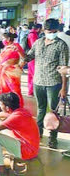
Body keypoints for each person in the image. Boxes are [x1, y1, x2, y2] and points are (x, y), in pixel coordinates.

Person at [24, 18, 69, 149]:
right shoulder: (38, 43)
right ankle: (38, 133)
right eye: (49, 31)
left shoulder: (61, 45)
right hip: (38, 81)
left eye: (54, 31)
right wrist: (19, 56)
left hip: (54, 83)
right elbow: (29, 56)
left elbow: (63, 68)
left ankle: (53, 138)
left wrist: (64, 88)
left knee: (53, 111)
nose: (52, 34)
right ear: (44, 30)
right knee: (41, 109)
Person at [0, 93, 40, 176]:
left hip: (28, 150)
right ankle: (0, 159)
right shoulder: (19, 111)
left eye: (1, 105)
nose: (0, 107)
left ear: (7, 108)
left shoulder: (16, 117)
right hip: (27, 145)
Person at [0, 32, 24, 107]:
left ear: (8, 39)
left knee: (14, 90)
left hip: (11, 73)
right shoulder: (5, 48)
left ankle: (17, 107)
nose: (2, 40)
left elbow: (24, 58)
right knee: (4, 90)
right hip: (2, 72)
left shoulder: (16, 46)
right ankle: (6, 106)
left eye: (3, 38)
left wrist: (18, 67)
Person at [27, 24, 41, 96]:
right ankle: (31, 91)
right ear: (38, 29)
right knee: (33, 75)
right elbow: (35, 47)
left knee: (30, 75)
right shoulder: (33, 35)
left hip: (30, 57)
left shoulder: (31, 33)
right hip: (33, 57)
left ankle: (30, 90)